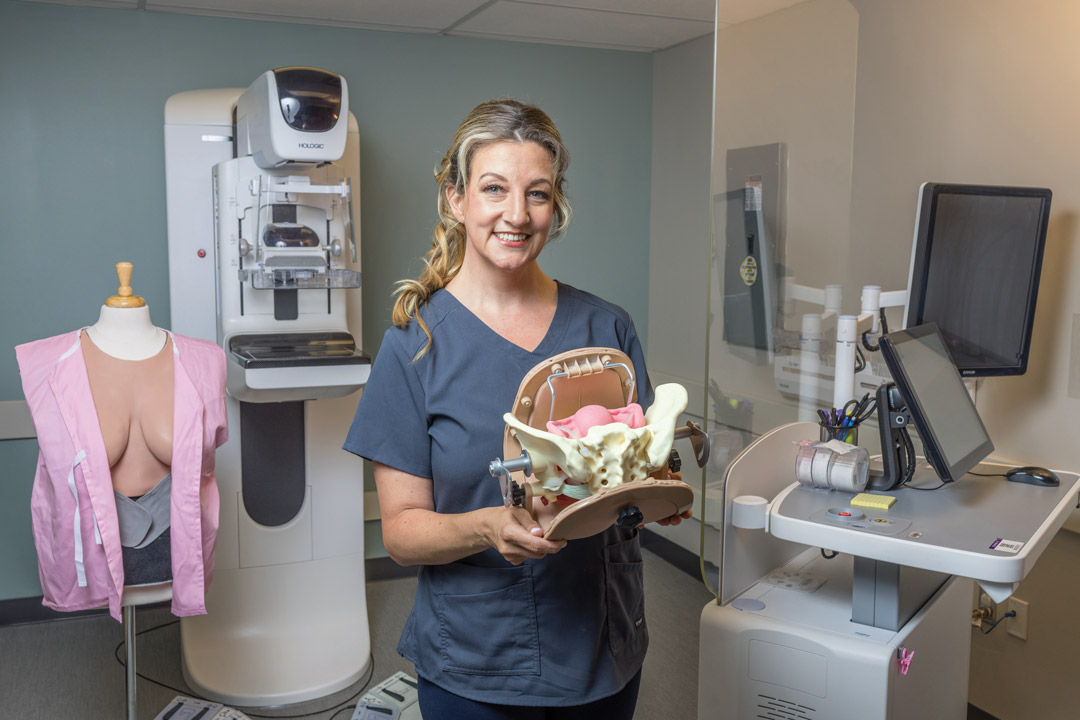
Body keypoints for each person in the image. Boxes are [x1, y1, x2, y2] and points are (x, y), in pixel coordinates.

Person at [343, 98, 688, 719]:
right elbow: (400, 533)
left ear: (555, 206)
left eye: (537, 193)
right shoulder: (415, 347)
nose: (516, 214)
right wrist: (484, 527)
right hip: (478, 663)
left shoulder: (606, 327)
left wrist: (651, 497)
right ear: (456, 198)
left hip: (602, 648)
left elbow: (628, 472)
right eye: (494, 189)